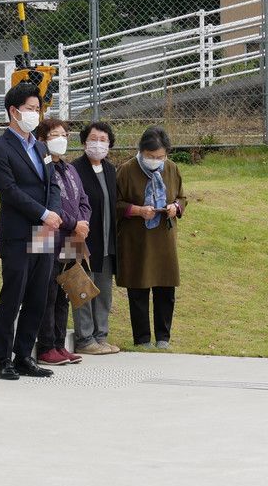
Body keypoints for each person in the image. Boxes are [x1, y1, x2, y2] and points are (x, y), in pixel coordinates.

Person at [0, 82, 62, 381]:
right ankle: (3, 358)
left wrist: (52, 212)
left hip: (43, 231)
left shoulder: (41, 147)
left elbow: (52, 184)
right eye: (30, 109)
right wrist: (43, 213)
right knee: (13, 294)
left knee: (38, 295)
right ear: (13, 111)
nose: (35, 114)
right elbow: (9, 190)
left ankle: (24, 355)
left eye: (37, 109)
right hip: (18, 232)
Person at [115, 126, 185, 350]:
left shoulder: (172, 168)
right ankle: (142, 338)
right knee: (138, 287)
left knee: (166, 286)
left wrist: (175, 207)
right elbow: (114, 204)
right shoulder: (126, 170)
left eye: (160, 156)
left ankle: (163, 337)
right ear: (141, 151)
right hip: (136, 239)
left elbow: (182, 197)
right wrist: (137, 210)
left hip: (164, 237)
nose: (155, 160)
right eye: (150, 156)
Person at [34, 118, 90, 366]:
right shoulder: (40, 168)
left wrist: (83, 224)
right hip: (45, 235)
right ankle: (45, 346)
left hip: (73, 236)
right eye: (55, 135)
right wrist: (74, 223)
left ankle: (59, 344)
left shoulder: (70, 169)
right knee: (45, 291)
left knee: (64, 292)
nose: (61, 140)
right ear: (42, 140)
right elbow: (48, 205)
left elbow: (84, 200)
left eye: (65, 135)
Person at [72, 121, 120, 355]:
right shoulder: (74, 169)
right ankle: (84, 339)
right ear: (84, 142)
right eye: (93, 139)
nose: (98, 144)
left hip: (106, 241)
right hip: (80, 240)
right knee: (82, 289)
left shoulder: (110, 169)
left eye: (103, 140)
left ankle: (101, 336)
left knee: (103, 291)